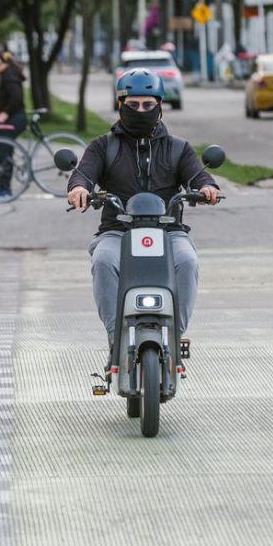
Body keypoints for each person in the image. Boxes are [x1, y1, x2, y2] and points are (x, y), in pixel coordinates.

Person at [66, 68, 220, 365]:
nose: (141, 110)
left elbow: (199, 175)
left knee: (187, 261)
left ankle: (174, 336)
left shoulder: (178, 148)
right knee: (103, 260)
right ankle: (117, 340)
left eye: (148, 104)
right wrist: (79, 189)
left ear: (160, 106)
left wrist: (207, 187)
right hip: (117, 231)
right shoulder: (103, 146)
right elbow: (82, 174)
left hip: (169, 232)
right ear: (120, 104)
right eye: (133, 104)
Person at [0, 49, 28, 201]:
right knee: (4, 152)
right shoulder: (7, 74)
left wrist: (5, 113)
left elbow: (16, 98)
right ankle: (2, 189)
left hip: (13, 119)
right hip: (13, 119)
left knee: (3, 153)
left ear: (0, 64)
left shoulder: (9, 76)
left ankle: (5, 191)